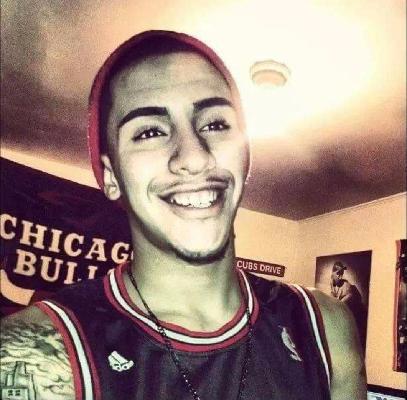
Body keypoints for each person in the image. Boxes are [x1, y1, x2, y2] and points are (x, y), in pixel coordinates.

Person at [0, 30, 366, 400]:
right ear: (111, 177)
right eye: (149, 132)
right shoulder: (33, 357)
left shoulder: (325, 326)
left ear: (246, 155)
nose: (195, 157)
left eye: (215, 124)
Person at [330, 261, 367, 349]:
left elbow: (339, 305)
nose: (340, 276)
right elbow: (332, 298)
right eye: (338, 273)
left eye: (341, 274)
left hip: (354, 319)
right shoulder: (333, 282)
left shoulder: (348, 288)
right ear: (332, 273)